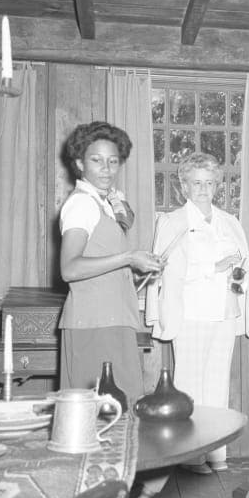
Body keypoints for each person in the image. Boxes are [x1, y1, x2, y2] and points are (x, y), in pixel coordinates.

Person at [150, 151, 249, 474]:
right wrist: (212, 267)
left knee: (217, 385)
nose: (203, 189)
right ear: (184, 187)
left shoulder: (230, 222)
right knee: (190, 385)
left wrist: (243, 302)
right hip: (191, 313)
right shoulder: (172, 222)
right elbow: (165, 272)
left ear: (217, 186)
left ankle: (215, 454)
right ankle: (191, 455)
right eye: (196, 183)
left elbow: (244, 270)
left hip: (224, 312)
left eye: (209, 183)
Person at [58, 121, 162, 403]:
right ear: (80, 163)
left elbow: (103, 268)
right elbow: (70, 269)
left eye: (113, 161)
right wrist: (128, 257)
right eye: (97, 160)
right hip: (94, 324)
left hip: (112, 320)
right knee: (102, 415)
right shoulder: (81, 204)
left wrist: (138, 270)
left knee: (119, 413)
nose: (106, 169)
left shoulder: (101, 203)